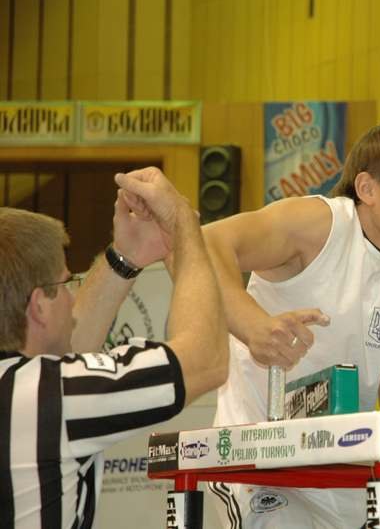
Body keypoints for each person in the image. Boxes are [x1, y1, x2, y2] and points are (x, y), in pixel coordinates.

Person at [202, 119, 380, 528]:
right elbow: (207, 244)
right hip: (259, 461)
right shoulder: (320, 223)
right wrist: (253, 327)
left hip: (343, 466)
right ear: (368, 188)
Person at [0, 167, 229, 528]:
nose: (72, 297)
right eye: (65, 284)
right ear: (39, 306)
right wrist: (185, 227)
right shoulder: (48, 395)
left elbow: (65, 350)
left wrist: (126, 256)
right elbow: (206, 360)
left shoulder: (23, 388)